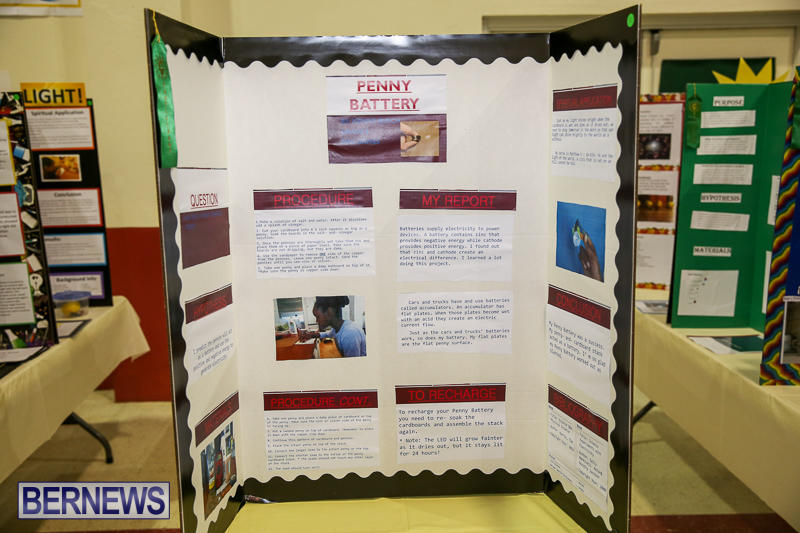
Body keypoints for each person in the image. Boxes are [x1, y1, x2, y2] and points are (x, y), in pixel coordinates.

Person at [299, 296, 366, 357]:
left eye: (318, 316)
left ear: (329, 312)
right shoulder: (337, 328)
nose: (316, 321)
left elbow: (352, 364)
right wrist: (311, 335)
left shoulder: (349, 333)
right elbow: (326, 334)